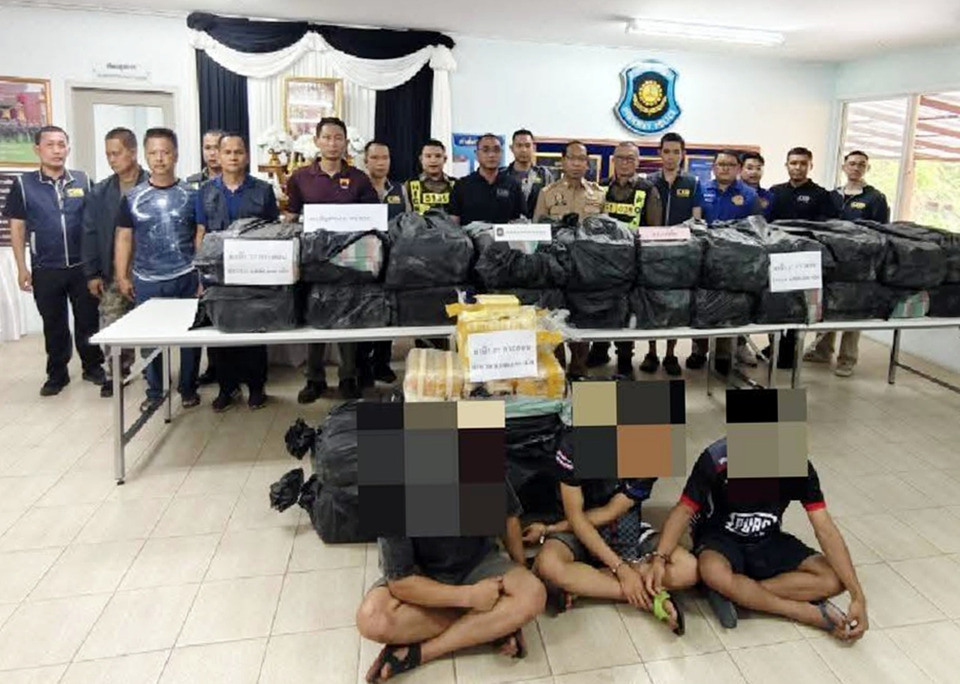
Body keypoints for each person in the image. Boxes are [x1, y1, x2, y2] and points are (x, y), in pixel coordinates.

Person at [645, 437, 868, 641]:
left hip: (767, 538)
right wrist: (659, 557)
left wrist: (857, 596)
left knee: (835, 579)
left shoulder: (798, 466)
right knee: (713, 570)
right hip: (719, 538)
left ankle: (739, 594)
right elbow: (684, 510)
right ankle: (799, 611)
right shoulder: (716, 458)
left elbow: (825, 529)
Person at [356, 482, 546, 682]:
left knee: (533, 594)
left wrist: (520, 569)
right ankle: (492, 626)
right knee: (372, 619)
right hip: (422, 575)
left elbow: (508, 517)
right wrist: (471, 597)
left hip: (479, 563)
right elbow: (401, 582)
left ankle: (421, 653)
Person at [527, 434, 696, 633]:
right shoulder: (574, 445)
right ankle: (648, 597)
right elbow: (576, 518)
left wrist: (621, 568)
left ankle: (583, 585)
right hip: (575, 529)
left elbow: (610, 512)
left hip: (625, 527)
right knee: (549, 564)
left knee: (689, 569)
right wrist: (621, 569)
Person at [3, 125, 104, 396]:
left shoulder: (82, 180)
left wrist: (97, 265)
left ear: (68, 148)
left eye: (62, 144)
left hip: (82, 267)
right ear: (37, 149)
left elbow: (95, 222)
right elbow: (17, 227)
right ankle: (57, 374)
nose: (57, 150)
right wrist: (21, 267)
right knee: (54, 324)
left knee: (88, 320)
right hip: (46, 267)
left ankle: (93, 366)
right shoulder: (24, 185)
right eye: (50, 145)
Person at [285, 117, 379, 402]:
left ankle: (348, 377)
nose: (332, 143)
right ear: (316, 141)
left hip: (349, 260)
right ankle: (314, 379)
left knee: (346, 316)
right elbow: (291, 218)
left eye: (338, 138)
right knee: (314, 318)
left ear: (345, 142)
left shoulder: (359, 178)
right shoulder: (300, 177)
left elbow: (373, 219)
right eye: (326, 137)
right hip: (313, 261)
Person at [114, 127, 201, 413]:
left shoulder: (192, 195)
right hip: (147, 278)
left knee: (190, 337)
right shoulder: (133, 197)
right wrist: (122, 275)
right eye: (153, 153)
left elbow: (200, 235)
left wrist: (202, 274)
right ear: (145, 155)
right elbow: (124, 237)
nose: (160, 158)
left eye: (165, 152)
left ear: (176, 155)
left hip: (186, 275)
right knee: (150, 338)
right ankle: (155, 390)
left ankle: (188, 388)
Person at [195, 133, 278, 412]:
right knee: (221, 331)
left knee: (254, 330)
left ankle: (256, 387)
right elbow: (201, 232)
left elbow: (272, 232)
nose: (233, 157)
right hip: (217, 274)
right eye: (227, 152)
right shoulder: (206, 191)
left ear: (247, 156)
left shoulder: (263, 190)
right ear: (218, 156)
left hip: (252, 271)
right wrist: (201, 273)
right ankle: (226, 387)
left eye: (238, 152)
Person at [804, 151, 891, 377]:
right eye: (852, 164)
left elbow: (882, 231)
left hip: (861, 263)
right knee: (829, 305)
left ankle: (847, 359)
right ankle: (822, 351)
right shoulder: (832, 196)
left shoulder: (875, 198)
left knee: (855, 309)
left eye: (861, 165)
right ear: (844, 167)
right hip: (832, 259)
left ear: (867, 169)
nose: (856, 168)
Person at [587, 141, 665, 378]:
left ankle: (624, 358)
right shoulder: (600, 187)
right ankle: (599, 350)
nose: (624, 163)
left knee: (626, 310)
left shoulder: (648, 189)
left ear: (638, 161)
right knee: (600, 305)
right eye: (620, 158)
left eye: (630, 158)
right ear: (613, 160)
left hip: (632, 261)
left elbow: (654, 229)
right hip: (602, 259)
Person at [82, 127, 148, 398]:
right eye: (108, 154)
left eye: (116, 153)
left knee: (152, 326)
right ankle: (116, 374)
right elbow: (89, 232)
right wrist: (92, 272)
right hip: (113, 271)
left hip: (147, 269)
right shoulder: (100, 192)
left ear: (132, 152)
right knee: (112, 324)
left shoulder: (152, 185)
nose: (112, 159)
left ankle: (154, 372)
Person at [533, 141, 605, 379]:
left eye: (581, 159)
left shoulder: (598, 193)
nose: (576, 164)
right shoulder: (547, 193)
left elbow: (605, 233)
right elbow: (537, 232)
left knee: (582, 318)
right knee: (554, 318)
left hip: (587, 269)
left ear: (587, 164)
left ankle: (579, 368)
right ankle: (558, 368)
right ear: (562, 161)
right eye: (572, 158)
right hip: (555, 268)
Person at [766, 148, 840, 370]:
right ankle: (775, 345)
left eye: (802, 163)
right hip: (777, 256)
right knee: (774, 303)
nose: (797, 167)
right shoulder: (775, 192)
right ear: (786, 165)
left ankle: (789, 350)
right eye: (793, 163)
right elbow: (765, 223)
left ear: (810, 166)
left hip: (805, 260)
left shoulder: (821, 195)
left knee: (797, 306)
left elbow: (827, 228)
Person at [648, 133, 707, 372]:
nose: (671, 157)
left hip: (681, 252)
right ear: (659, 153)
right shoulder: (649, 181)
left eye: (676, 152)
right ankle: (651, 352)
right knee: (652, 300)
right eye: (666, 151)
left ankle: (671, 354)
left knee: (675, 303)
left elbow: (697, 218)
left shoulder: (693, 183)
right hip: (652, 250)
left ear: (683, 154)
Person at [702, 151, 764, 373]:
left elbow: (757, 228)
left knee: (730, 304)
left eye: (730, 164)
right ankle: (699, 350)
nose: (725, 168)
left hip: (737, 259)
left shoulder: (749, 195)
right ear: (713, 167)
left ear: (738, 168)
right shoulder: (702, 190)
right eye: (720, 164)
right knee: (704, 302)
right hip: (706, 256)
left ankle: (724, 352)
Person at [356, 140, 404, 388]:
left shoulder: (400, 189)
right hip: (363, 257)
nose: (380, 163)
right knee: (364, 310)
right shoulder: (357, 188)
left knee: (388, 309)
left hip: (393, 258)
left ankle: (382, 363)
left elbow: (408, 220)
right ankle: (362, 366)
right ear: (366, 161)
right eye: (375, 158)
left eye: (385, 158)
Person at [448, 133, 524, 226]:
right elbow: (453, 224)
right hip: (470, 234)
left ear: (501, 153)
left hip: (503, 234)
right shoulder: (461, 186)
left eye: (496, 150)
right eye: (485, 150)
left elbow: (519, 221)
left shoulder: (513, 185)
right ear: (477, 154)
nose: (491, 155)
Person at [506, 129, 555, 218]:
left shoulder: (544, 175)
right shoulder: (503, 175)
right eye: (519, 146)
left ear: (533, 148)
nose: (523, 150)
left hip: (537, 225)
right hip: (508, 225)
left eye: (527, 146)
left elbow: (553, 203)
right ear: (512, 148)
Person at [404, 140, 455, 215]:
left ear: (445, 159)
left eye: (438, 156)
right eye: (428, 156)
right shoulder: (409, 185)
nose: (433, 160)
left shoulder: (456, 185)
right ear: (421, 159)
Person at [739, 152, 773, 216]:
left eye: (758, 168)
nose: (754, 172)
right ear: (739, 170)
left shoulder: (768, 196)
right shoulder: (730, 194)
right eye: (749, 168)